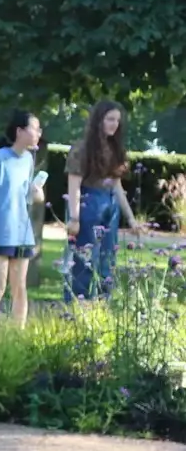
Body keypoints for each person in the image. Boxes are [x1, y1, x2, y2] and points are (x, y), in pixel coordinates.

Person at [0, 109, 46, 328]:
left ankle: (17, 339)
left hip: (22, 233)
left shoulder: (28, 160)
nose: (39, 133)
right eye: (35, 128)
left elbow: (30, 199)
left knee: (19, 288)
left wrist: (37, 191)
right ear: (20, 131)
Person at [65, 99, 139, 301]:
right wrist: (74, 218)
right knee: (84, 260)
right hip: (88, 203)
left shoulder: (115, 149)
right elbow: (74, 186)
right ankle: (76, 308)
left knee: (107, 261)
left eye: (117, 120)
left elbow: (117, 187)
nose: (114, 124)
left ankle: (101, 309)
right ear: (99, 120)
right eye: (110, 119)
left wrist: (131, 219)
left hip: (110, 205)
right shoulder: (82, 149)